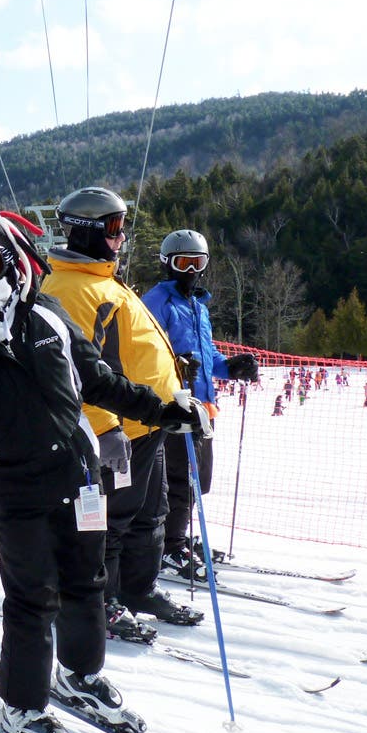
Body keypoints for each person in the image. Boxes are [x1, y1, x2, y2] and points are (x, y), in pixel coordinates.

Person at [0, 207, 200, 733]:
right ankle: (20, 705)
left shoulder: (47, 314)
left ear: (7, 261)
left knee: (88, 582)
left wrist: (162, 410)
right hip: (15, 491)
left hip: (81, 475)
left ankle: (81, 674)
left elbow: (99, 381)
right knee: (33, 595)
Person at [39, 187, 204, 640]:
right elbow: (78, 370)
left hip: (147, 423)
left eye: (121, 226)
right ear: (89, 231)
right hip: (116, 432)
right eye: (114, 227)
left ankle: (138, 588)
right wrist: (105, 429)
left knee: (150, 513)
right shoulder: (70, 289)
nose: (122, 236)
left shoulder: (103, 280)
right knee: (109, 523)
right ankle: (104, 600)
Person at [141, 229, 259, 582]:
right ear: (167, 264)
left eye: (198, 262)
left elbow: (204, 356)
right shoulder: (156, 303)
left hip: (204, 405)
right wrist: (177, 368)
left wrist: (229, 366)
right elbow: (147, 354)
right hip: (175, 403)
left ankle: (175, 533)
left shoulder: (197, 306)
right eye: (183, 262)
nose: (191, 270)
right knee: (179, 478)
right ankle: (169, 544)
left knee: (198, 481)